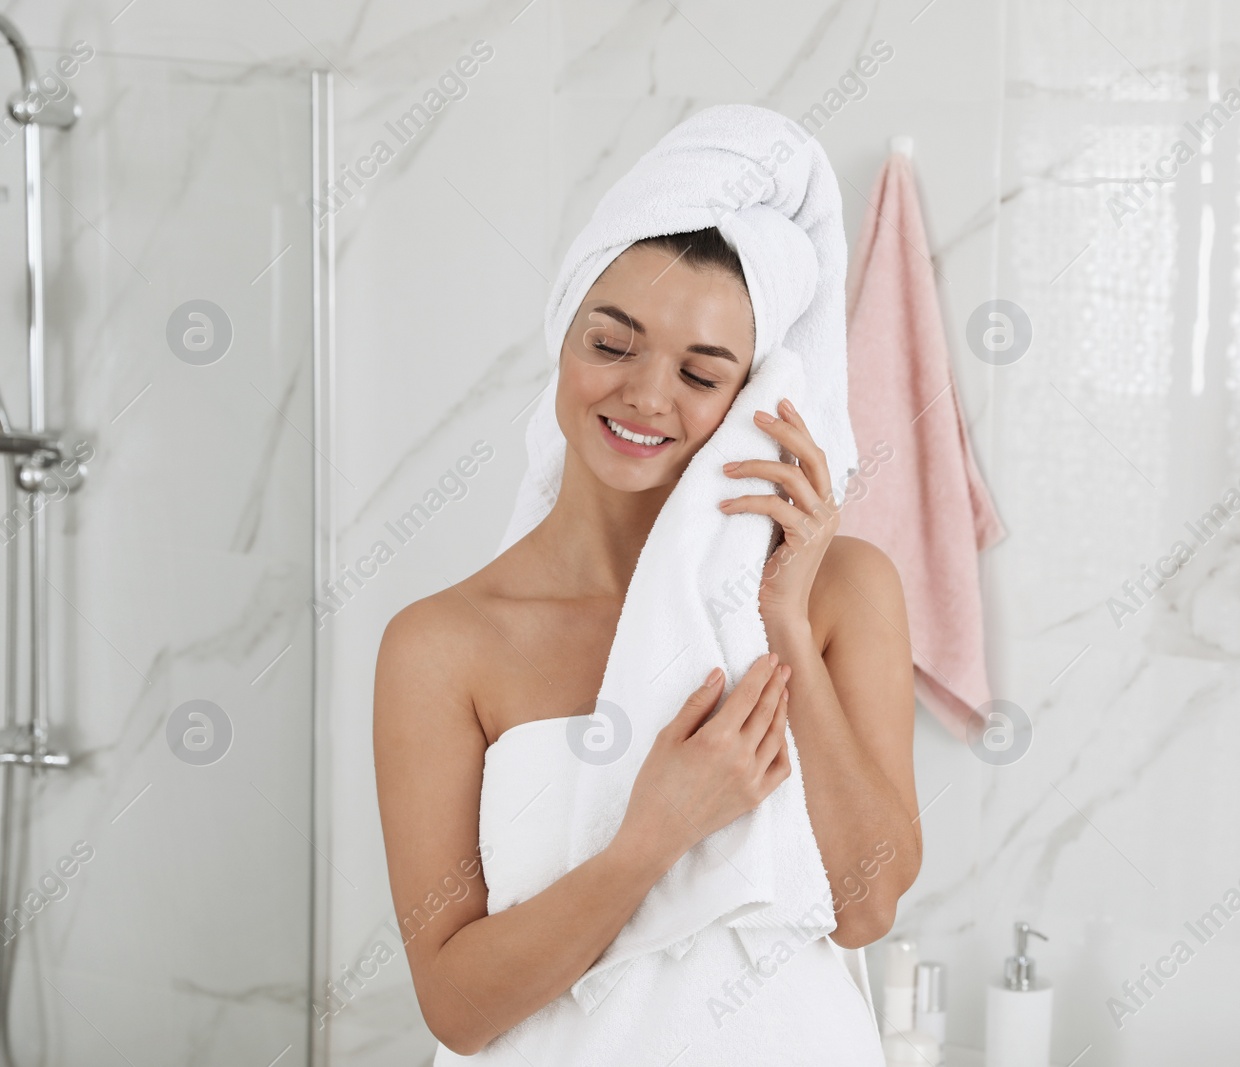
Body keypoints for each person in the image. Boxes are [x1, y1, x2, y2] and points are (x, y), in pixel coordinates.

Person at [372, 215, 920, 1060]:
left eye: (701, 372)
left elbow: (867, 905)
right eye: (612, 344)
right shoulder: (443, 643)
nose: (647, 396)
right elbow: (456, 1006)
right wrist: (653, 837)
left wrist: (783, 619)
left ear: (751, 400)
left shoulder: (842, 590)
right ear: (562, 339)